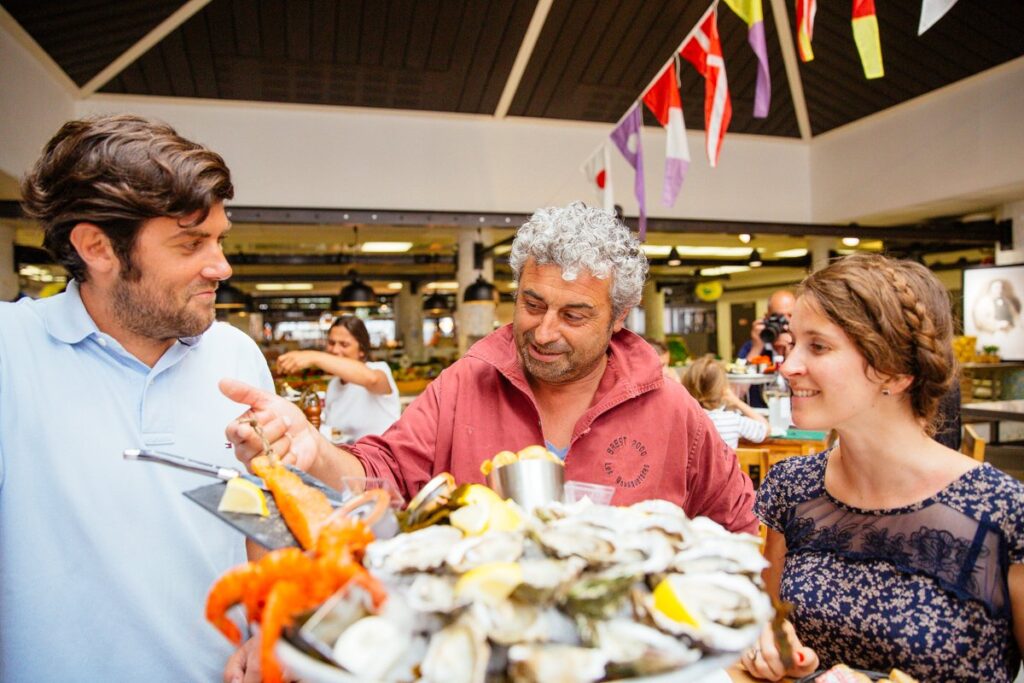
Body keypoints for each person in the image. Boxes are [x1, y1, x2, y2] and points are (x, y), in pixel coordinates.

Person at [223, 202, 756, 522]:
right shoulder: (464, 384)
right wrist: (314, 450)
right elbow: (383, 473)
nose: (544, 332)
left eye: (574, 315)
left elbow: (734, 520)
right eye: (532, 304)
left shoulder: (670, 408)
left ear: (619, 317)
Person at [0, 114, 274, 682]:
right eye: (190, 243)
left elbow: (257, 519)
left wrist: (271, 628)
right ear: (97, 246)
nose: (220, 266)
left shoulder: (236, 355)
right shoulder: (10, 353)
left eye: (219, 239)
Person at [742, 253, 1024, 682]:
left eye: (818, 346)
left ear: (894, 370)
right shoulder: (792, 488)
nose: (788, 365)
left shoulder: (1001, 509)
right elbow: (771, 622)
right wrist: (772, 650)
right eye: (793, 343)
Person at [277, 315, 400, 441]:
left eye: (344, 344)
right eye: (331, 343)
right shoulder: (334, 385)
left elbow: (372, 379)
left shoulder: (379, 369)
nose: (335, 350)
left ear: (362, 350)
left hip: (382, 457)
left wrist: (314, 357)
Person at [681, 354, 768, 449]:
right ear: (723, 389)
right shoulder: (731, 420)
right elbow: (765, 429)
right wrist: (737, 402)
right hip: (726, 464)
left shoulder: (684, 421)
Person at [737, 289, 796, 361]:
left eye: (790, 315)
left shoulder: (803, 345)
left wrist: (793, 346)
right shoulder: (751, 345)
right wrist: (756, 348)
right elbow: (740, 369)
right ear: (766, 318)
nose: (784, 321)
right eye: (778, 316)